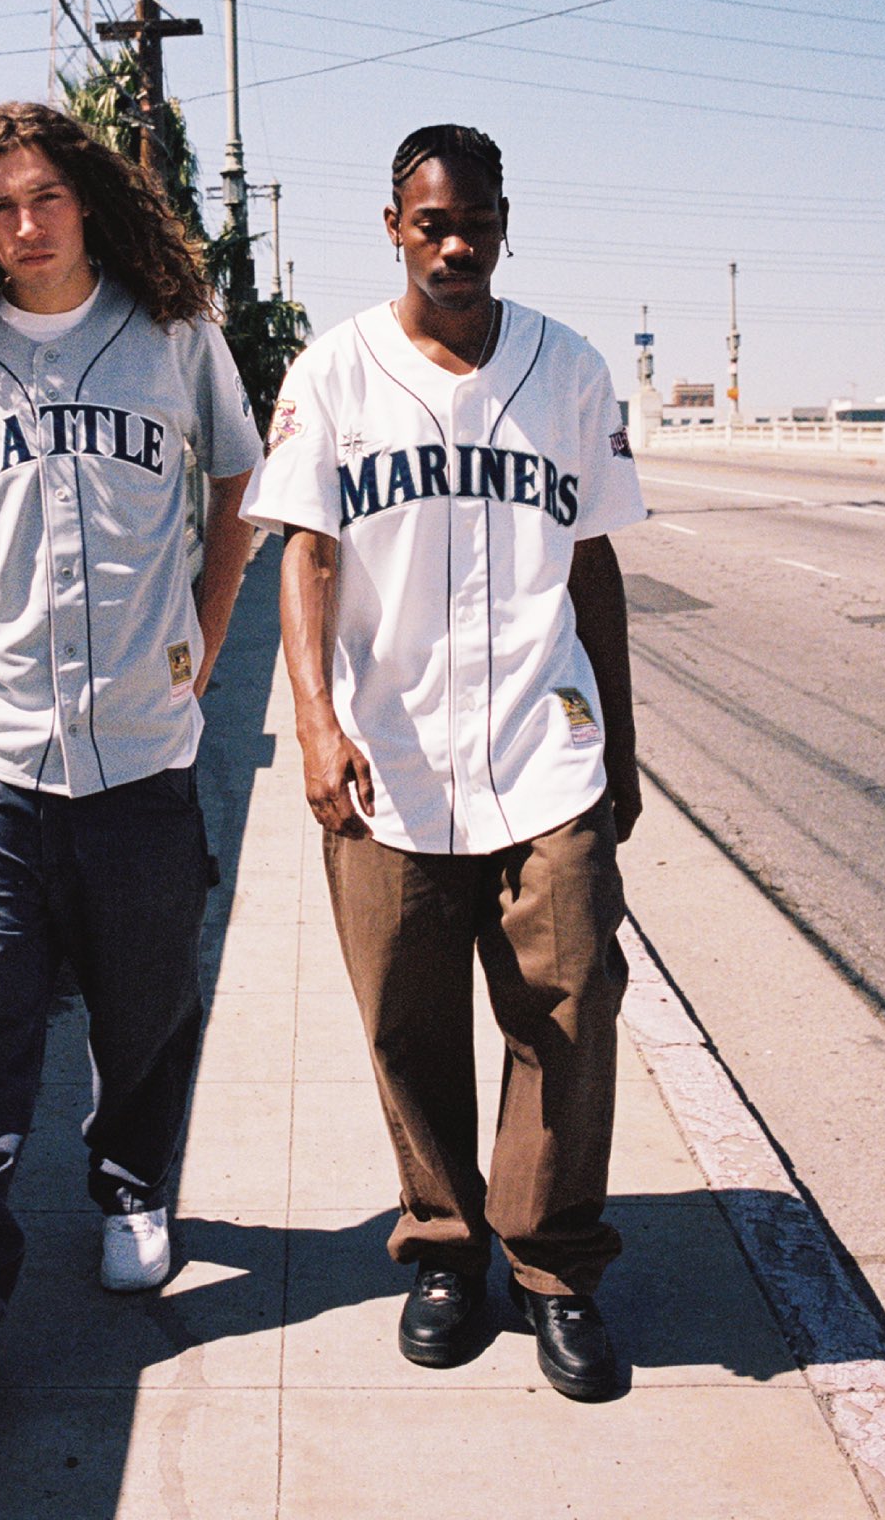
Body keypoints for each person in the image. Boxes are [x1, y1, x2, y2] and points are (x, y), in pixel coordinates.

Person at [0, 100, 262, 1392]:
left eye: (42, 197)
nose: (22, 226)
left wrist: (203, 631)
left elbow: (235, 484)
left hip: (142, 745)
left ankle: (133, 1187)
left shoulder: (172, 336)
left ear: (86, 198)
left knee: (146, 999)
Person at [243, 123, 646, 1401]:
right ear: (394, 226)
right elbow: (304, 552)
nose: (456, 243)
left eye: (476, 219)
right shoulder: (336, 371)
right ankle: (442, 1244)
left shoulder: (569, 367)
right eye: (433, 222)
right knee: (405, 1022)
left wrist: (622, 746)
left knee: (572, 1005)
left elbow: (594, 560)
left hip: (543, 747)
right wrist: (314, 718)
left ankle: (553, 1266)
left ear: (505, 219)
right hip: (391, 756)